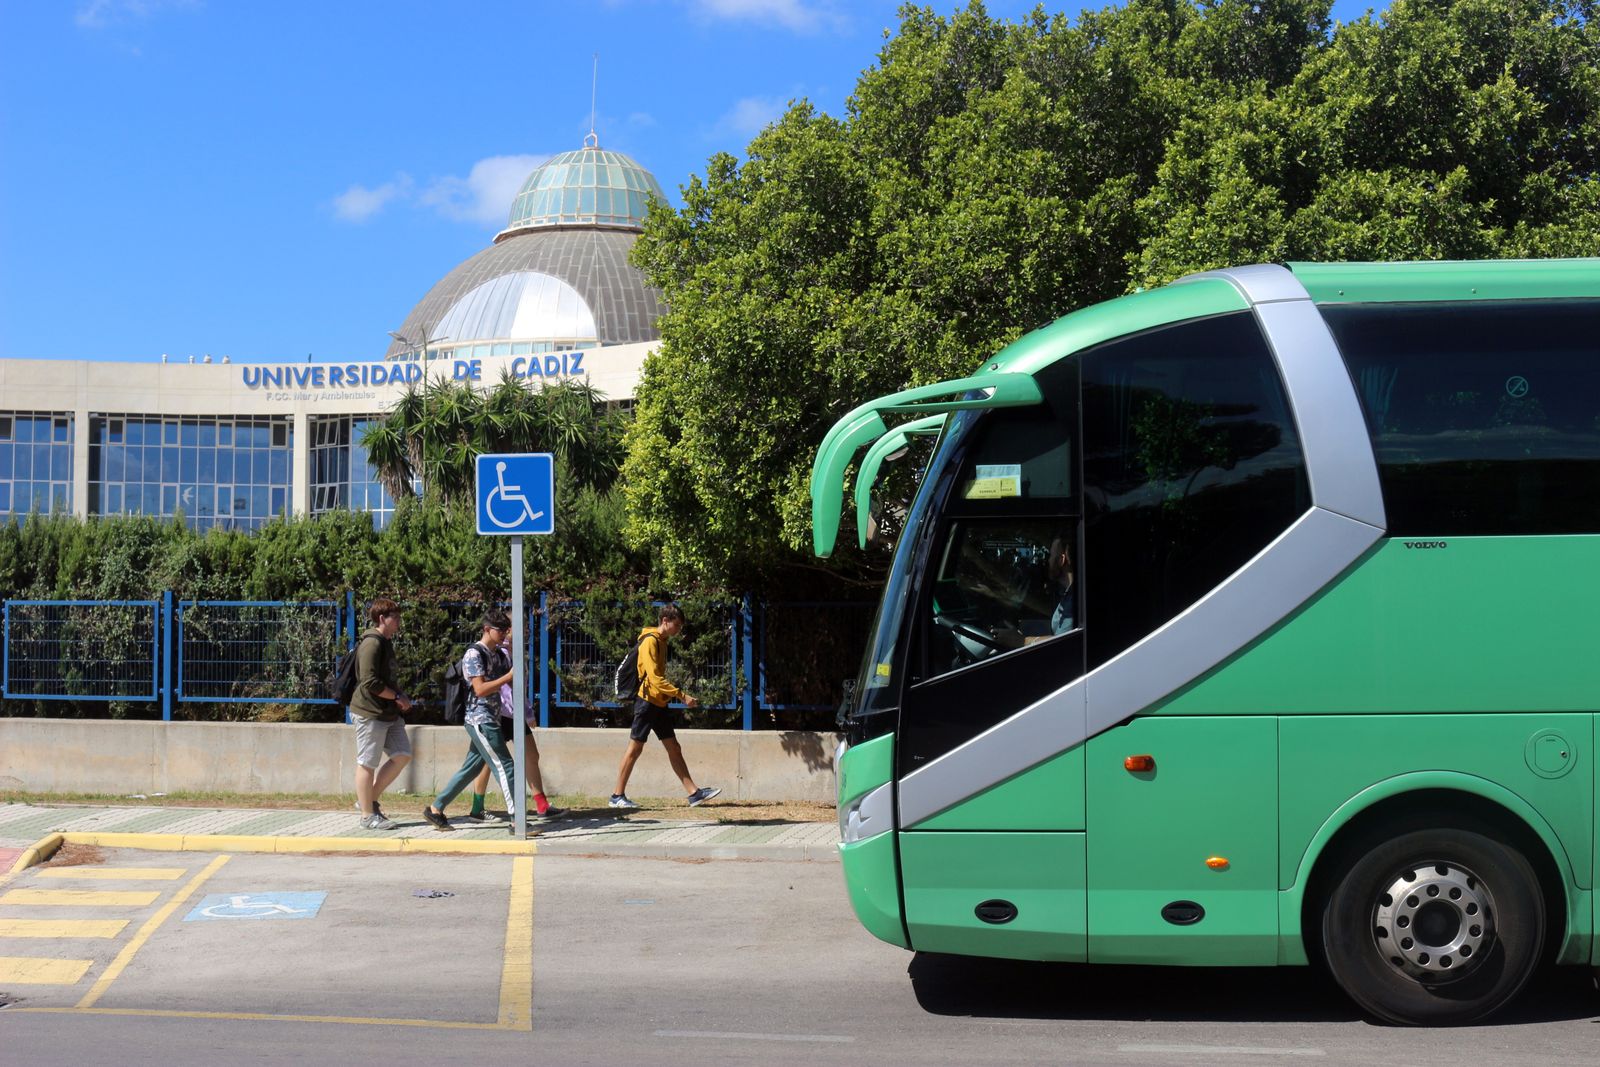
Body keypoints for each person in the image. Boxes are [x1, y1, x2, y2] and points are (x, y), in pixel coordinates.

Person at [424, 610, 561, 833]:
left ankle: (435, 809)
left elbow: (510, 683)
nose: (505, 634)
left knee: (470, 769)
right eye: (501, 630)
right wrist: (507, 677)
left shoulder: (496, 654)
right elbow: (479, 689)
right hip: (480, 720)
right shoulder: (474, 654)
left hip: (492, 718)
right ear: (487, 629)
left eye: (507, 630)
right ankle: (517, 821)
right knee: (506, 766)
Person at [609, 603, 721, 810]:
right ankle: (617, 796)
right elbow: (655, 678)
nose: (678, 629)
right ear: (665, 621)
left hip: (658, 703)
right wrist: (682, 696)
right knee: (635, 749)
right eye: (676, 625)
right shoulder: (649, 642)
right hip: (646, 702)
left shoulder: (662, 641)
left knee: (674, 747)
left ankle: (694, 793)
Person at [462, 644, 565, 823]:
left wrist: (526, 712)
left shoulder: (516, 653)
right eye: (505, 630)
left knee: (531, 755)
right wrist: (526, 712)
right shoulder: (499, 654)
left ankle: (542, 805)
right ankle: (477, 808)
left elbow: (519, 688)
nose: (524, 632)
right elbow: (506, 690)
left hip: (515, 714)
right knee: (487, 762)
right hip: (501, 715)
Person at [348, 597, 414, 831]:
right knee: (367, 763)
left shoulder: (386, 642)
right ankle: (367, 816)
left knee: (402, 754)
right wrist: (396, 697)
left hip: (388, 712)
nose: (398, 621)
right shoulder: (372, 643)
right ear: (382, 618)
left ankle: (366, 800)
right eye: (395, 617)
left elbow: (386, 678)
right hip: (370, 712)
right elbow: (370, 682)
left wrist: (399, 696)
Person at [1048, 533, 1077, 635]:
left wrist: (1022, 640)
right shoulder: (1068, 593)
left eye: (1051, 555)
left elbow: (1060, 639)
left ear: (1062, 560)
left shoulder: (1073, 601)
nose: (1049, 560)